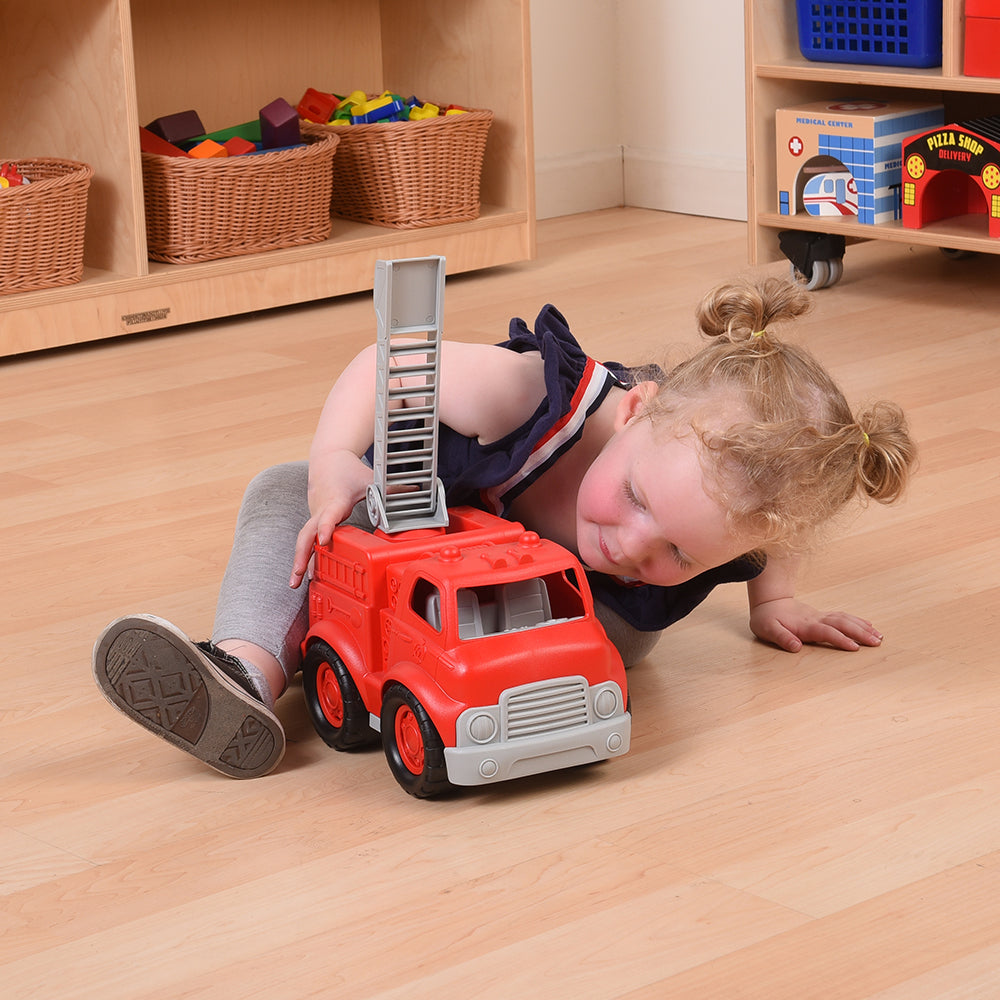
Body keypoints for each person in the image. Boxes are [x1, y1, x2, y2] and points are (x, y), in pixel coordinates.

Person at [93, 275, 917, 778]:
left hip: (551, 624)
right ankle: (244, 671)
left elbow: (782, 522)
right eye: (632, 499)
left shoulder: (730, 502)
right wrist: (334, 459)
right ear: (637, 408)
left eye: (680, 553)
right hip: (411, 533)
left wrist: (773, 601)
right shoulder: (526, 394)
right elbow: (383, 368)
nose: (631, 545)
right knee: (282, 492)